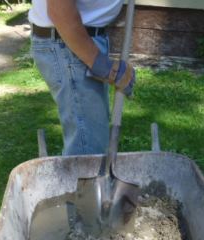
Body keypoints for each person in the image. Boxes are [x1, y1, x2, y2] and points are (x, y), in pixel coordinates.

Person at [29, 0, 136, 156]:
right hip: (70, 42)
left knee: (91, 141)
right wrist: (100, 63)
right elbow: (59, 9)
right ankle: (83, 181)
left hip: (76, 40)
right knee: (87, 152)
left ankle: (85, 178)